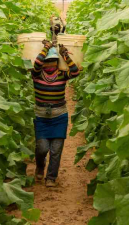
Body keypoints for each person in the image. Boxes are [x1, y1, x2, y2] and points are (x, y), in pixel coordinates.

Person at [31, 40, 80, 187]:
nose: (50, 64)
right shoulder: (36, 75)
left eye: (53, 61)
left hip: (59, 116)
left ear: (57, 62)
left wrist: (65, 55)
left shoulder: (62, 75)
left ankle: (51, 177)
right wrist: (46, 48)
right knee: (42, 148)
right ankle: (40, 166)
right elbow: (37, 63)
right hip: (41, 117)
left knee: (56, 150)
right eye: (47, 62)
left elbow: (75, 71)